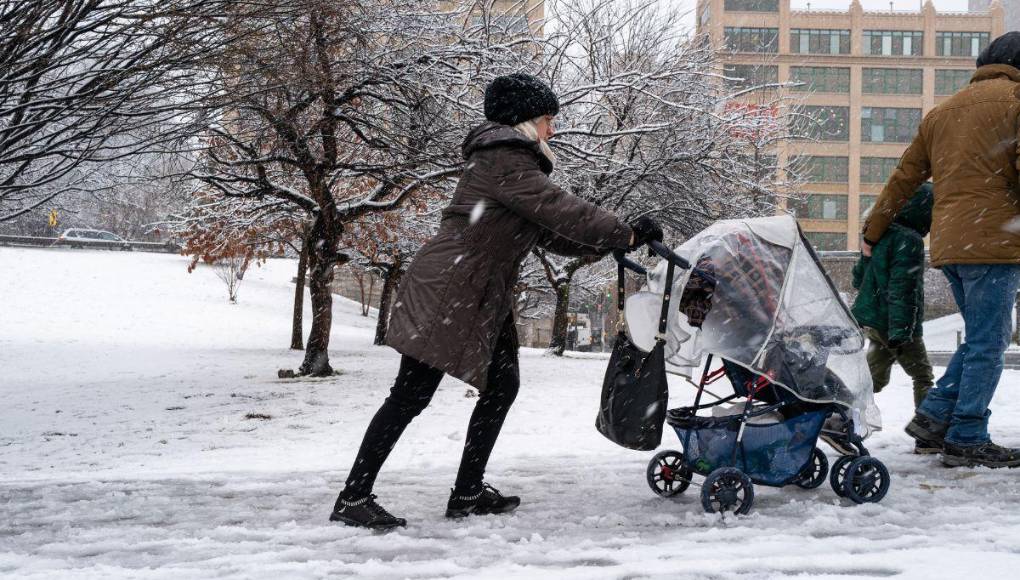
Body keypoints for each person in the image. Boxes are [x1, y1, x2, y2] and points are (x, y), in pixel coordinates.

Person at [329, 73, 664, 529]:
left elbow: (549, 231)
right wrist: (622, 230)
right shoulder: (506, 158)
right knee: (411, 395)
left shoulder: (512, 164)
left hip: (483, 290)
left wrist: (613, 243)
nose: (553, 130)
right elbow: (560, 208)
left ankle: (468, 491)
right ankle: (353, 497)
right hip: (451, 285)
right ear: (525, 119)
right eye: (548, 120)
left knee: (501, 387)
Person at [861, 32, 1020, 468]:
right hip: (996, 240)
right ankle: (967, 433)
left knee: (980, 338)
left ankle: (933, 420)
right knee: (989, 342)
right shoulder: (1017, 101)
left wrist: (873, 230)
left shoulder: (942, 113)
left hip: (951, 242)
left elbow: (903, 179)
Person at [852, 184, 936, 453]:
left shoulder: (879, 235)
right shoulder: (909, 241)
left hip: (876, 323)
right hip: (896, 325)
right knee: (922, 376)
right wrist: (903, 330)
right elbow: (903, 288)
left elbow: (858, 278)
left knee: (872, 381)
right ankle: (928, 435)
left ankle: (839, 416)